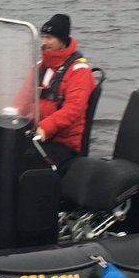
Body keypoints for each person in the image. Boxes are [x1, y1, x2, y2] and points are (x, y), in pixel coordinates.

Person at [33, 13, 96, 172]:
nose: (44, 43)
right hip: (35, 135)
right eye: (43, 37)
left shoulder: (79, 72)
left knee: (29, 163)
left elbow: (73, 109)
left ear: (62, 40)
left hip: (64, 143)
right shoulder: (40, 67)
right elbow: (22, 99)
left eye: (49, 38)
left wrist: (44, 128)